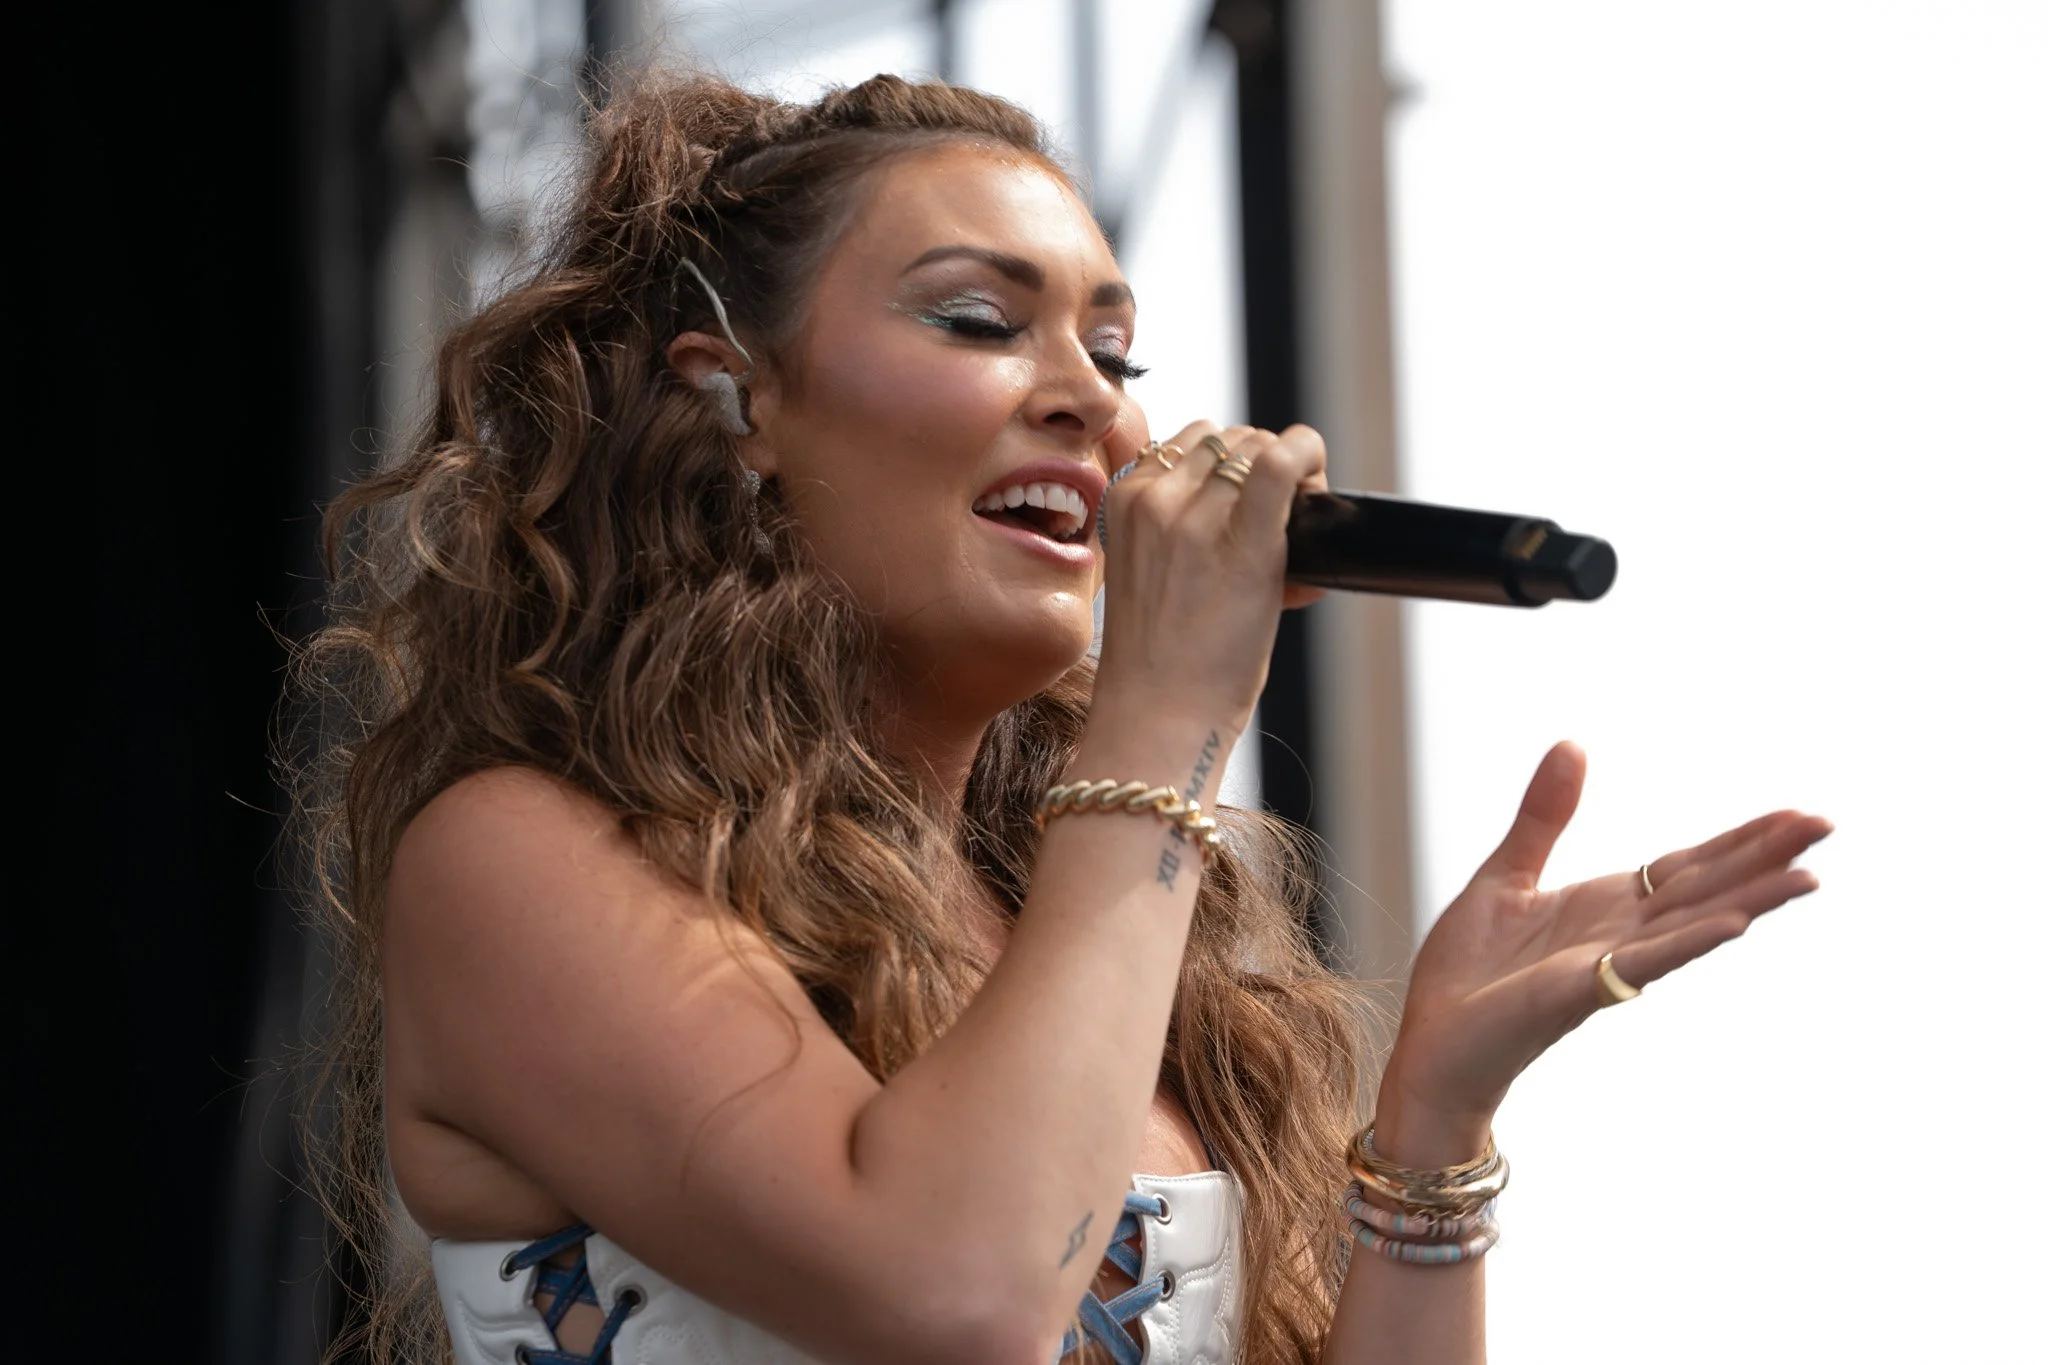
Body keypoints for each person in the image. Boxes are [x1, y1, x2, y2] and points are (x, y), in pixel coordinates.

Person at [299, 70, 1830, 1365]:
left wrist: (1430, 1125)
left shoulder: (1089, 916)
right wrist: (1166, 712)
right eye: (980, 320)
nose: (1092, 404)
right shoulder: (515, 861)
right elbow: (958, 1293)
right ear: (735, 400)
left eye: (1115, 354)